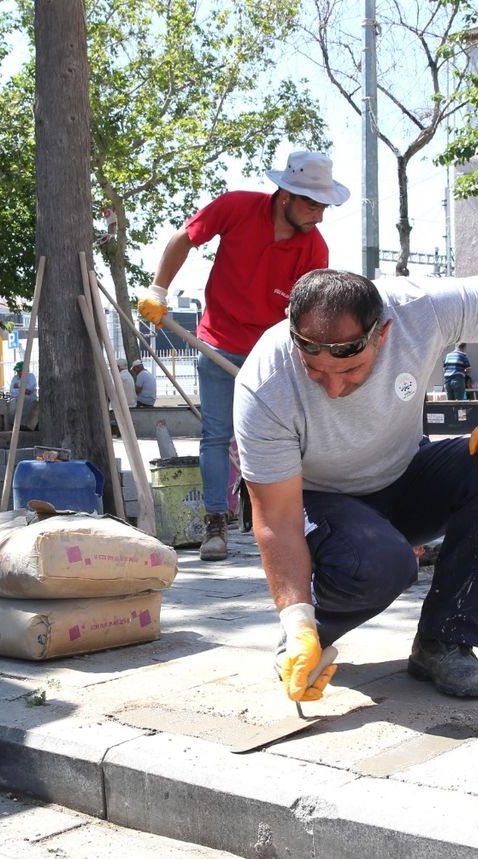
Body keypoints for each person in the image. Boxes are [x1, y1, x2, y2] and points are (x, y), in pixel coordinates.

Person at [233, 269, 478, 702]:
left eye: (350, 369)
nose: (333, 388)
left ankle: (443, 642)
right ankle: (307, 636)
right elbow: (277, 520)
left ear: (383, 333)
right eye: (315, 369)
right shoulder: (265, 384)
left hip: (401, 476)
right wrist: (297, 622)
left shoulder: (419, 310)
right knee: (381, 564)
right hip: (320, 499)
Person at [137, 149, 348, 562]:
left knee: (292, 437)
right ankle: (217, 523)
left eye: (323, 206)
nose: (318, 216)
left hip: (272, 351)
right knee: (215, 434)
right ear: (285, 194)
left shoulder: (314, 251)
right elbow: (185, 237)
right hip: (216, 340)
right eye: (311, 204)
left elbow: (306, 315)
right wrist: (158, 290)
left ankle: (296, 521)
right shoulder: (236, 207)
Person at [8, 361, 38, 430]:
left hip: (29, 403)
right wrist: (22, 389)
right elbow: (12, 392)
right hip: (17, 402)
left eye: (20, 371)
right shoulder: (15, 378)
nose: (18, 373)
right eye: (17, 371)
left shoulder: (31, 377)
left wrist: (18, 386)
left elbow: (28, 391)